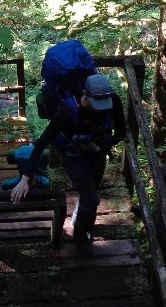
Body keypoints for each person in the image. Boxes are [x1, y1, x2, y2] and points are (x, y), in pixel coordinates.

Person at [11, 73, 126, 246]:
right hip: (72, 152)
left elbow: (121, 132)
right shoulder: (67, 109)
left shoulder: (112, 101)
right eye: (96, 105)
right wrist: (27, 177)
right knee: (92, 199)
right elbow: (42, 142)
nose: (100, 109)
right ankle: (82, 237)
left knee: (91, 189)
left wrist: (101, 146)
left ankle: (80, 217)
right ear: (85, 95)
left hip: (97, 150)